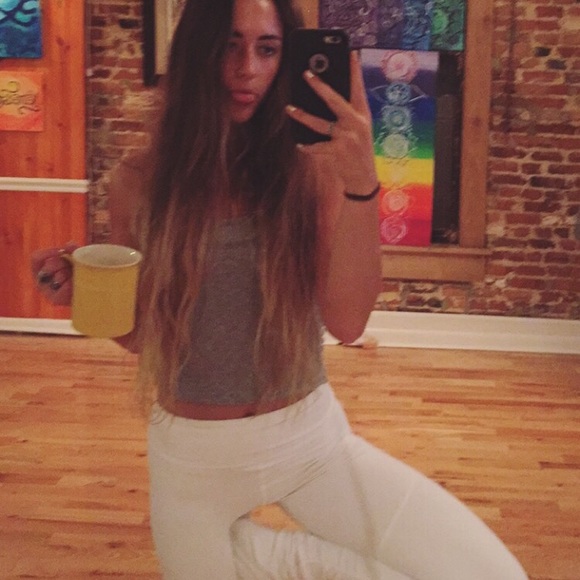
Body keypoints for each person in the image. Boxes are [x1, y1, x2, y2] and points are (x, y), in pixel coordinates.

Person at [31, 0, 529, 578]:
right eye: (229, 45)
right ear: (195, 53)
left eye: (267, 49)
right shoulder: (139, 182)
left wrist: (362, 182)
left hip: (308, 444)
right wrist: (86, 295)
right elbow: (143, 338)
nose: (247, 69)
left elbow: (347, 323)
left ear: (286, 58)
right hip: (193, 460)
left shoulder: (311, 170)